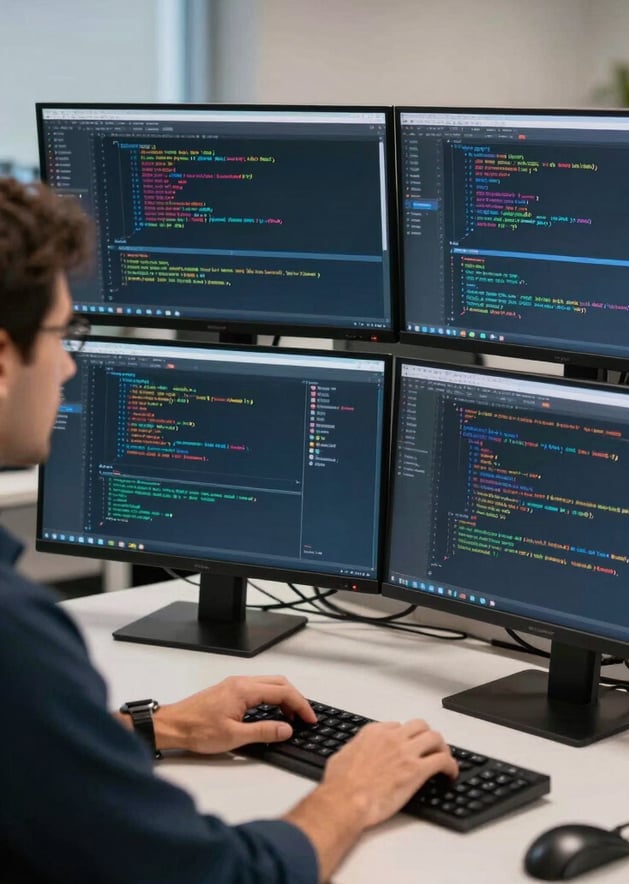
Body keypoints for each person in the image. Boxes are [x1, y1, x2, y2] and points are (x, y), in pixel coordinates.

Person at [0, 177, 458, 884]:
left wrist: (158, 727)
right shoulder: (15, 636)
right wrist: (350, 794)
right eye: (64, 335)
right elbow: (217, 877)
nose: (68, 365)